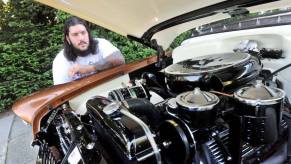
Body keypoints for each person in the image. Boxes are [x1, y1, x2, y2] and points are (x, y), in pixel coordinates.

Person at [53, 16, 125, 85]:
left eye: (83, 33)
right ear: (68, 39)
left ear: (88, 33)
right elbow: (61, 91)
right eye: (75, 35)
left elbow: (119, 59)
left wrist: (90, 68)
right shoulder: (60, 61)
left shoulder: (101, 43)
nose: (81, 38)